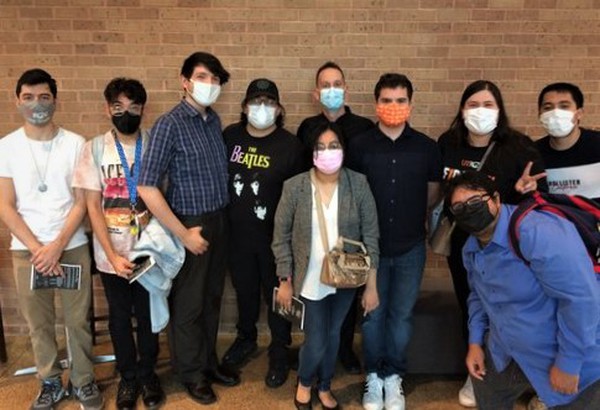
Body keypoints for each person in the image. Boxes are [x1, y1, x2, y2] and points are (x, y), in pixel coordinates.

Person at [445, 170, 600, 410]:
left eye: (476, 202)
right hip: (505, 351)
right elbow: (477, 295)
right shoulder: (471, 248)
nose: (469, 210)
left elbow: (581, 298)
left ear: (495, 199)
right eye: (459, 208)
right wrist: (475, 342)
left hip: (571, 357)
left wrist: (569, 362)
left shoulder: (538, 232)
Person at [437, 79, 547, 408]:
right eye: (473, 104)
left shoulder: (519, 147)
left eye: (488, 104)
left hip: (507, 248)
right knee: (470, 303)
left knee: (507, 307)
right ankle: (477, 371)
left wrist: (527, 191)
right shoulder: (448, 143)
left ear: (500, 110)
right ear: (461, 109)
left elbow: (542, 199)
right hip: (461, 245)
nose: (480, 111)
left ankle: (524, 375)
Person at [137, 52, 239, 406]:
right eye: (201, 76)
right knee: (189, 305)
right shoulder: (170, 124)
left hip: (219, 221)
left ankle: (208, 363)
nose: (208, 85)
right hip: (190, 225)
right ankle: (191, 373)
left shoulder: (213, 121)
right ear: (184, 80)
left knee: (212, 300)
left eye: (214, 79)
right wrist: (184, 234)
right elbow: (147, 187)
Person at [0, 69, 103, 410]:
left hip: (70, 246)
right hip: (26, 252)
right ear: (17, 101)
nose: (36, 104)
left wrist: (57, 245)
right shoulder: (6, 146)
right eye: (28, 97)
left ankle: (83, 380)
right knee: (39, 323)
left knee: (77, 320)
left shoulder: (76, 144)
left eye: (44, 97)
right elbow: (5, 204)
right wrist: (37, 249)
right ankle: (48, 382)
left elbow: (81, 201)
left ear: (55, 100)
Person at [347, 73, 442, 410]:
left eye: (401, 100)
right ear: (377, 104)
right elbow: (353, 195)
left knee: (401, 316)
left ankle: (394, 377)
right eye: (387, 100)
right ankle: (373, 376)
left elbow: (431, 195)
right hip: (369, 249)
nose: (393, 106)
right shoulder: (359, 146)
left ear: (410, 104)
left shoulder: (427, 148)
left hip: (410, 247)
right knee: (373, 315)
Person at [273, 122, 380, 410]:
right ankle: (305, 382)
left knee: (334, 335)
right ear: (312, 152)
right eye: (321, 147)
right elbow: (280, 237)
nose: (328, 152)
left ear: (344, 149)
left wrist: (371, 285)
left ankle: (325, 385)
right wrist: (285, 278)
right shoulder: (294, 187)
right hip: (308, 278)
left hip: (345, 277)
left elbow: (371, 235)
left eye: (334, 146)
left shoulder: (358, 183)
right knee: (317, 337)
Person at [72, 78, 164, 410]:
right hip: (111, 253)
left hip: (149, 252)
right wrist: (111, 254)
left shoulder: (155, 142)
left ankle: (148, 373)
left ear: (143, 109)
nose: (127, 113)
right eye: (118, 107)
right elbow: (93, 206)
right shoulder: (94, 148)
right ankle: (128, 376)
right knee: (120, 317)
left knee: (149, 314)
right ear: (107, 108)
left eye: (134, 107)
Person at [220, 78, 304, 388]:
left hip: (274, 240)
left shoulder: (290, 146)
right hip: (237, 235)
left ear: (279, 109)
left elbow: (298, 198)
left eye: (269, 102)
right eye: (256, 101)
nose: (262, 108)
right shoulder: (230, 137)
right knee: (244, 291)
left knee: (277, 297)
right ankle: (245, 339)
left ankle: (279, 349)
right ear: (244, 107)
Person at [297, 61, 375, 374]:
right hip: (319, 218)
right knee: (318, 296)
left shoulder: (364, 128)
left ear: (346, 89)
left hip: (351, 220)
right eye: (325, 85)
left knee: (346, 288)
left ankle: (343, 350)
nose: (332, 90)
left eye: (337, 84)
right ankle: (314, 356)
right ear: (316, 93)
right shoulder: (306, 128)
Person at [536, 82, 600, 202]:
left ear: (579, 113)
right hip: (552, 219)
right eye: (548, 108)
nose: (555, 113)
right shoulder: (531, 154)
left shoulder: (597, 145)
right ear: (540, 115)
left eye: (564, 106)